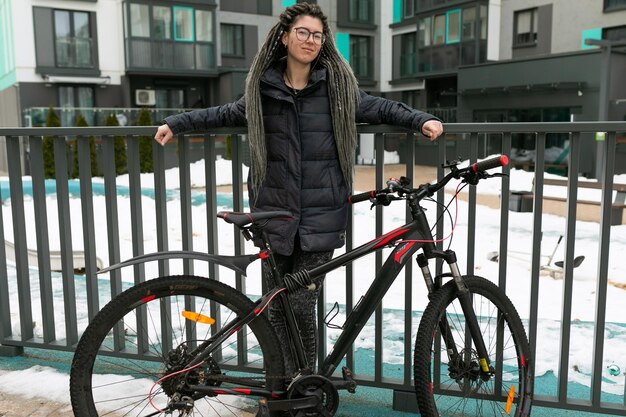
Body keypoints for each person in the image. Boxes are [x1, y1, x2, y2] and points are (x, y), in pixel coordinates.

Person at [154, 2, 443, 378]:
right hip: (274, 214)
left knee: (303, 307)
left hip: (320, 218)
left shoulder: (337, 90)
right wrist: (177, 123)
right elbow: (224, 113)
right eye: (303, 32)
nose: (310, 40)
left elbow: (381, 107)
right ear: (285, 36)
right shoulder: (263, 89)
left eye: (318, 35)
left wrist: (421, 120)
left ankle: (301, 389)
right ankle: (281, 391)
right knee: (276, 310)